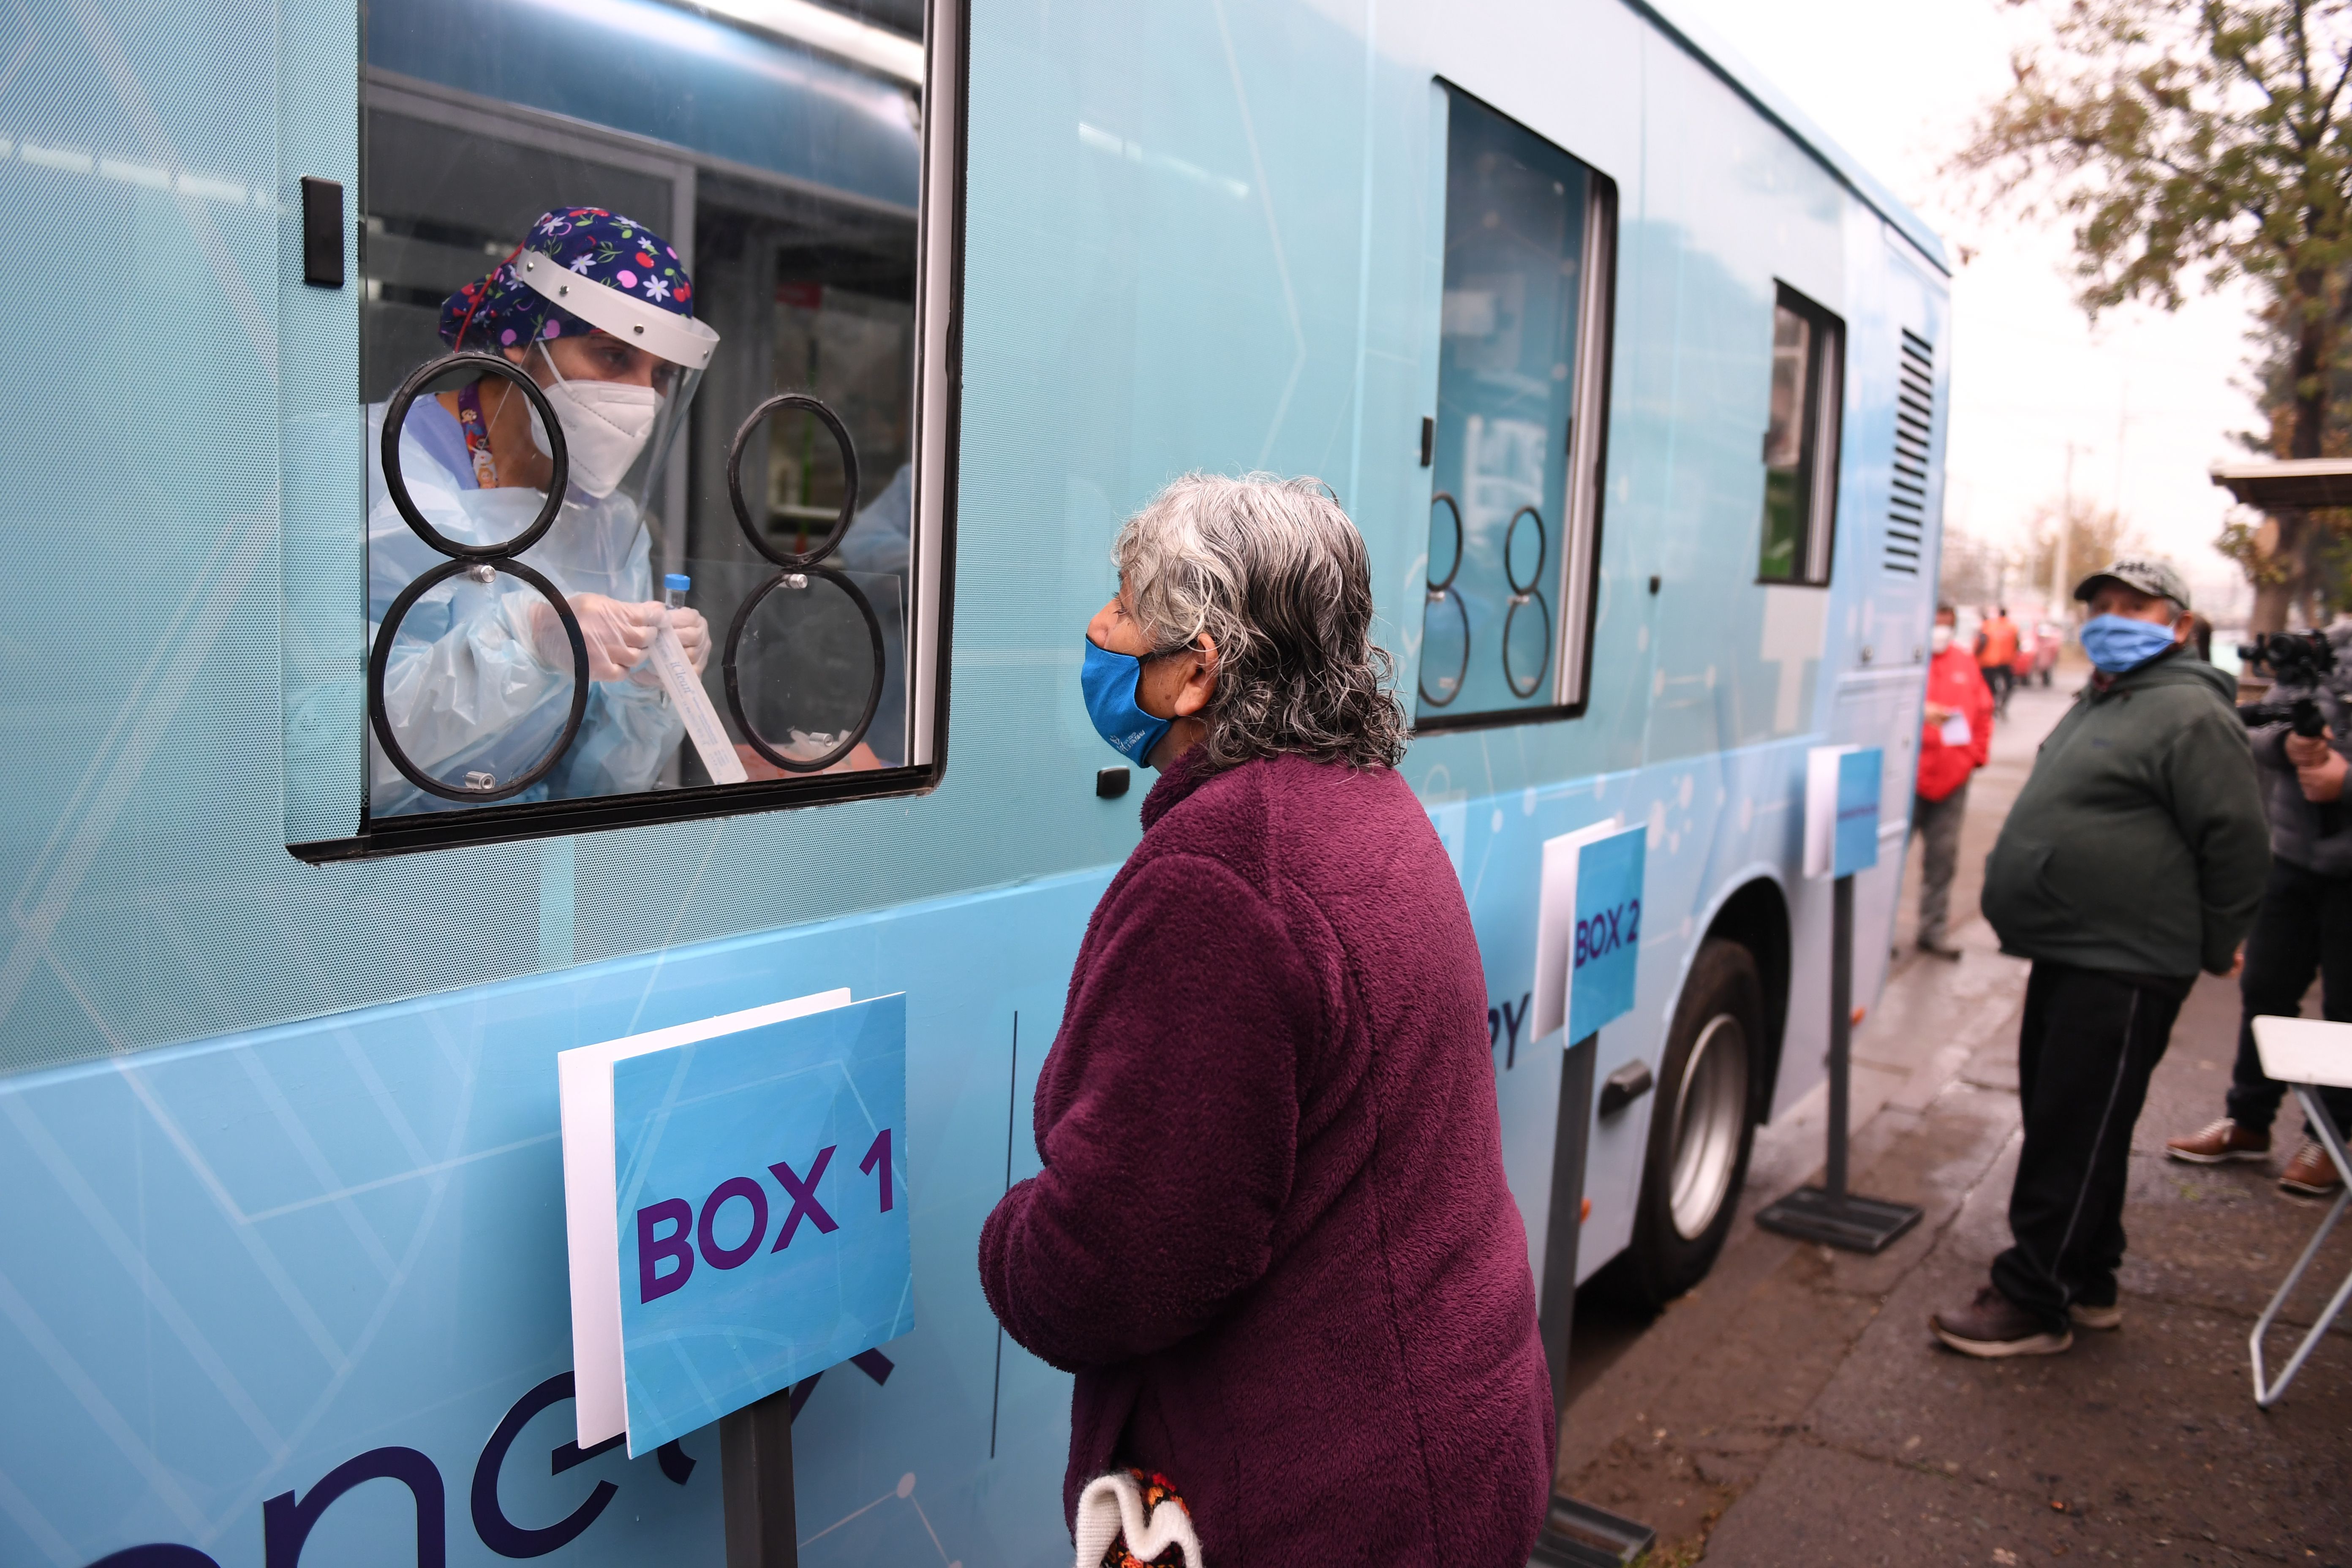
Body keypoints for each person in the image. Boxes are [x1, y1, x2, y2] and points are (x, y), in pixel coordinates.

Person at [979, 474, 1553, 1563]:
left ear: (1196, 671)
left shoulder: (1225, 876)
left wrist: (1008, 1241)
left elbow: (1126, 1259)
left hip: (1317, 1505)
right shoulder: (1363, 798)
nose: (1098, 630)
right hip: (1451, 1440)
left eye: (1122, 604)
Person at [1932, 559, 2268, 1358]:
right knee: (2081, 1120)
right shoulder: (2110, 692)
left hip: (2125, 959)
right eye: (2102, 605)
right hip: (2074, 948)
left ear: (2179, 625)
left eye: (2135, 606)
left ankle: (2030, 1298)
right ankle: (2088, 1280)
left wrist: (2219, 942)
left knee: (2068, 1128)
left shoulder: (2189, 713)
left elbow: (2239, 842)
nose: (2112, 617)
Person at [367, 207, 720, 814]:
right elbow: (321, 747)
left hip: (530, 870)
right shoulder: (373, 470)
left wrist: (646, 688)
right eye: (613, 357)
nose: (642, 397)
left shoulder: (611, 530)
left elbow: (597, 789)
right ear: (523, 342)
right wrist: (525, 641)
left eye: (661, 374)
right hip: (367, 885)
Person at [2166, 621, 2352, 1198]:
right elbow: (2260, 729)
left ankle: (2331, 1137)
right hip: (2293, 858)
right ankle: (2247, 1122)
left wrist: (2346, 779)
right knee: (2266, 990)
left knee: (2347, 1007)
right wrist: (2292, 746)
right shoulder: (2326, 646)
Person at [1912, 604, 1994, 960]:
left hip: (1951, 779)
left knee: (1942, 859)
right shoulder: (1909, 661)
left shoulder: (1965, 663)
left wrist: (1974, 757)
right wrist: (1920, 711)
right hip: (1908, 780)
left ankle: (1933, 931)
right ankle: (1875, 933)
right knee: (1888, 858)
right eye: (1935, 624)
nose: (1940, 632)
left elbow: (1984, 713)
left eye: (1946, 625)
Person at [1977, 603, 2020, 717]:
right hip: (2007, 662)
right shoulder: (2012, 627)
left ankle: (1992, 706)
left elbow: (1981, 643)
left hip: (1989, 662)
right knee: (2010, 685)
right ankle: (2002, 706)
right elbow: (2017, 644)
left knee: (1989, 687)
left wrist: (1977, 658)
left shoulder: (1989, 626)